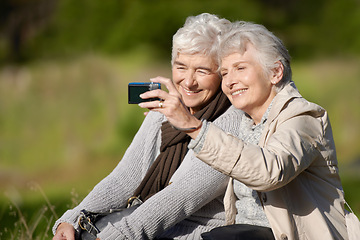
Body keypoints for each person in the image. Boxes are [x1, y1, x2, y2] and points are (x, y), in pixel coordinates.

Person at [53, 14, 269, 240]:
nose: (188, 81)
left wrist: (117, 235)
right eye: (181, 67)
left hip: (195, 233)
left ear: (221, 73)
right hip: (142, 224)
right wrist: (73, 218)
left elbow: (181, 196)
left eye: (202, 71)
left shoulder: (232, 121)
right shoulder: (163, 111)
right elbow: (124, 178)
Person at [140, 21, 348, 239]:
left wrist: (193, 125)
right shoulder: (243, 122)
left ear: (276, 72)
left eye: (240, 68)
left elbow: (270, 171)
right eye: (225, 72)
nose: (230, 81)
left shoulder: (304, 117)